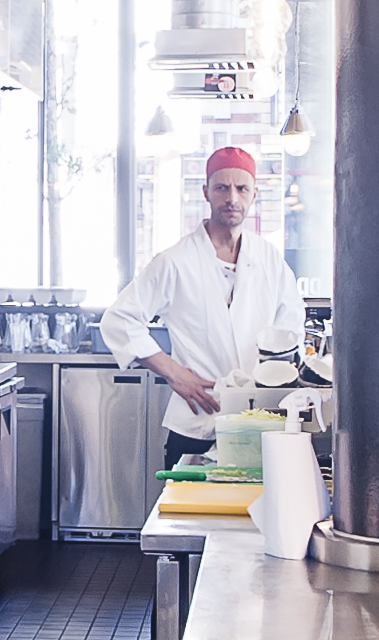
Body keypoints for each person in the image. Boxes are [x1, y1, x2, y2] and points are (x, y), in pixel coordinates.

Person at [101, 147, 305, 452]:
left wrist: (275, 388)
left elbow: (290, 330)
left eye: (241, 188)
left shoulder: (269, 259)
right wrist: (175, 374)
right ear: (206, 192)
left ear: (254, 194)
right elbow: (119, 320)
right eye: (222, 187)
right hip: (196, 422)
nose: (232, 198)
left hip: (260, 423)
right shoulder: (175, 261)